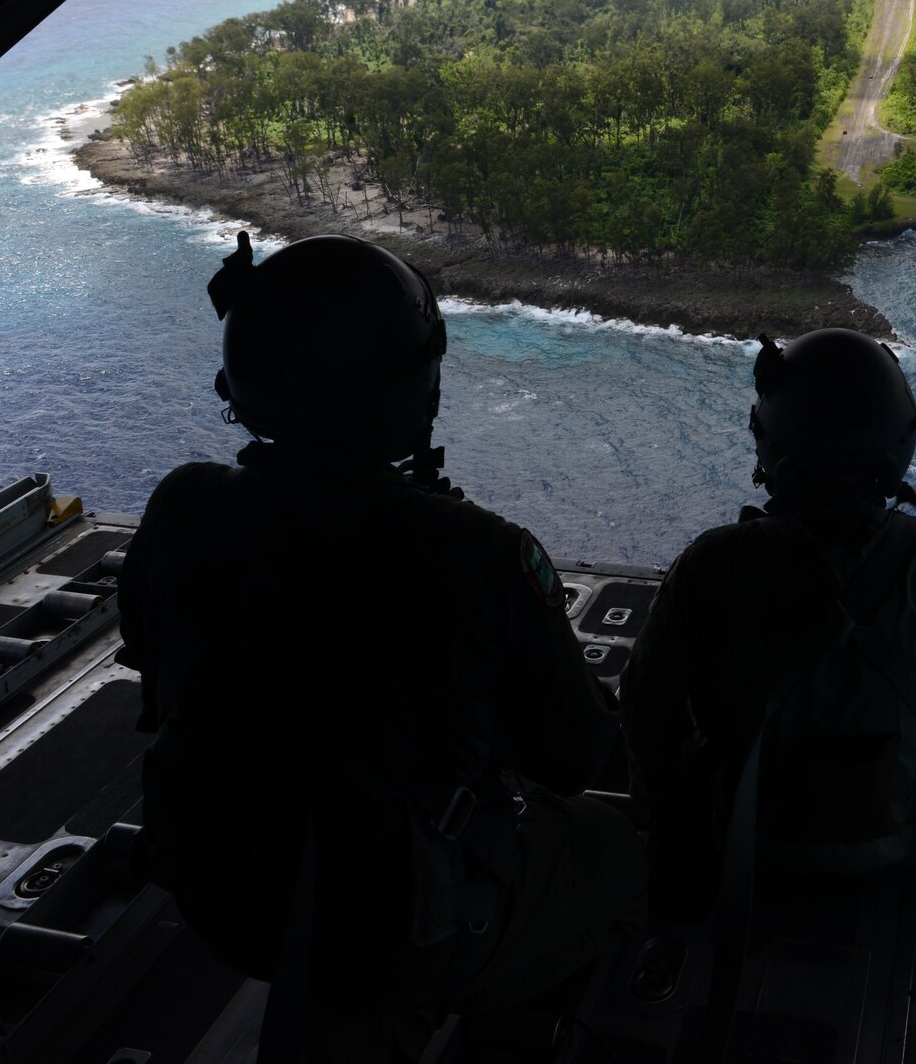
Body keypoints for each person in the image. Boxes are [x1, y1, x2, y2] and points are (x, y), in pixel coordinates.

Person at [118, 232, 644, 1039]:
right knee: (618, 848)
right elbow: (576, 757)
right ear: (415, 390)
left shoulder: (183, 506)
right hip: (403, 935)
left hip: (220, 895)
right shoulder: (478, 551)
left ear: (243, 381)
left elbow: (156, 661)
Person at [621, 328, 916, 901]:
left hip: (746, 838)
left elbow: (645, 707)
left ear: (771, 440)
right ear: (900, 441)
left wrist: (678, 826)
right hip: (911, 843)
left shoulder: (713, 563)